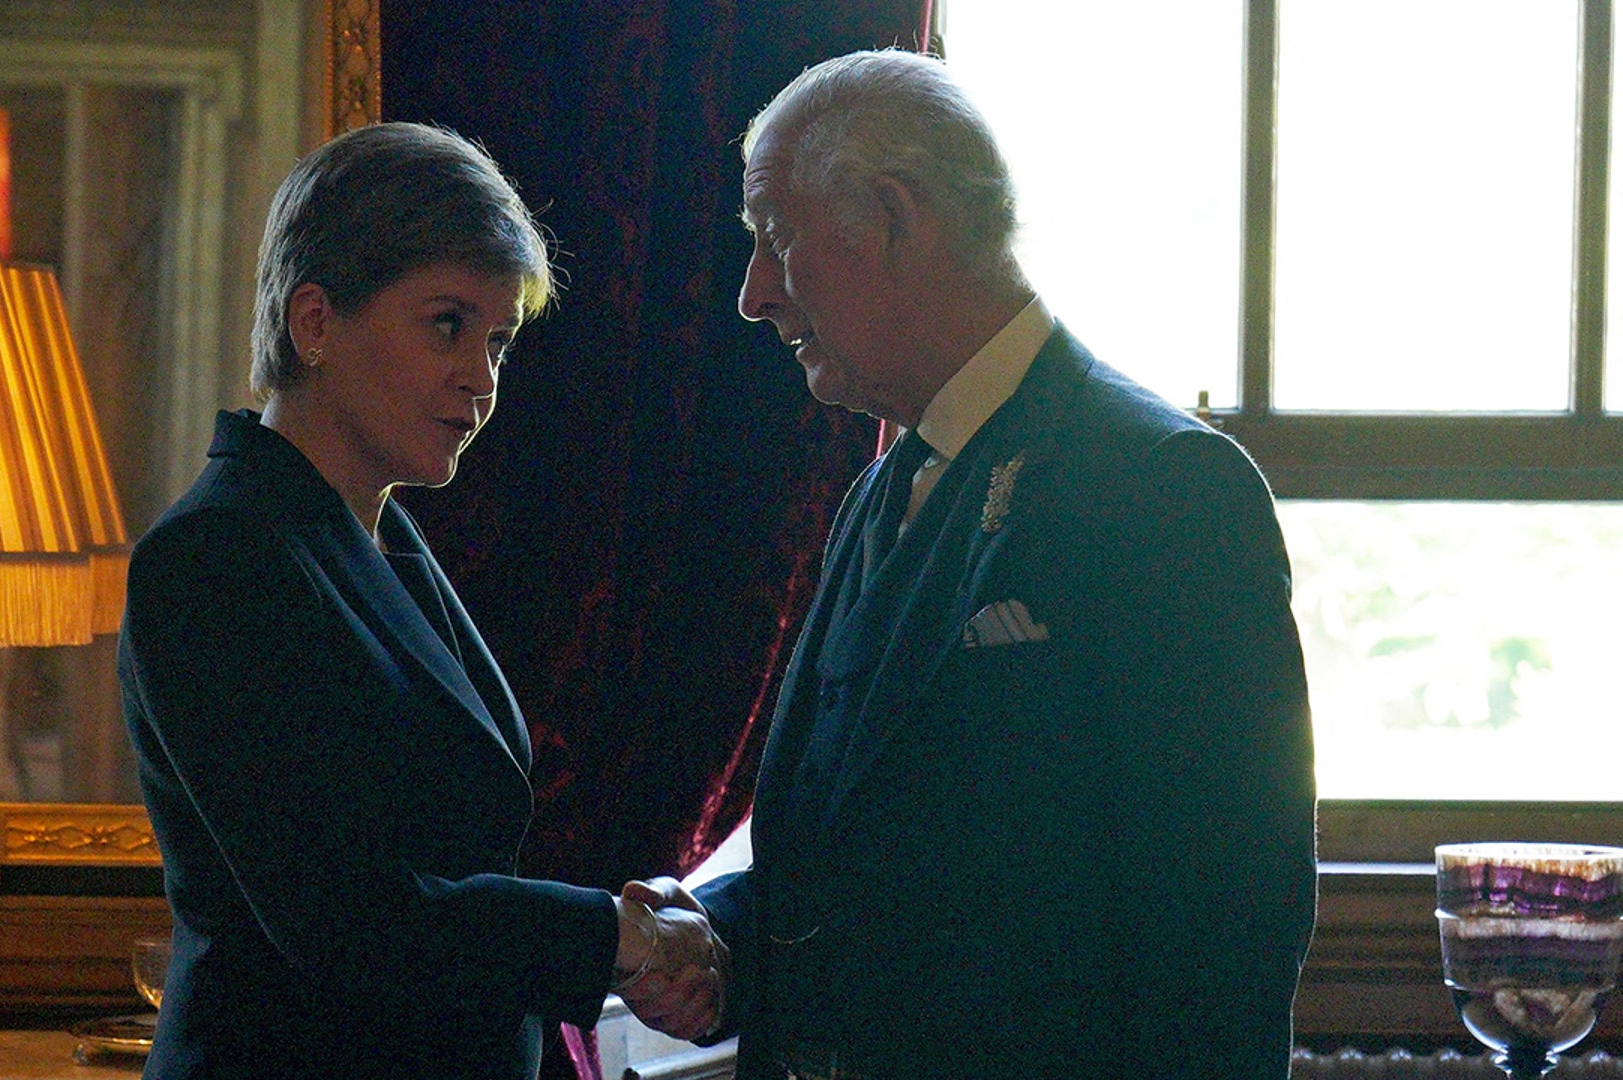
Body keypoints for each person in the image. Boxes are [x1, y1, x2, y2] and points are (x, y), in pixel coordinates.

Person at [621, 50, 1317, 1079]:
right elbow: (865, 848)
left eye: (775, 239)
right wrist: (716, 934)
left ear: (897, 217)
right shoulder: (879, 491)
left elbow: (1223, 929)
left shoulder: (1164, 487)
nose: (752, 294)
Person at [117, 122, 720, 1079]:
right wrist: (616, 937)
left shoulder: (375, 533)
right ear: (313, 324)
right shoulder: (217, 554)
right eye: (446, 324)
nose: (480, 380)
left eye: (499, 341)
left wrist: (621, 931)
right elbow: (346, 922)